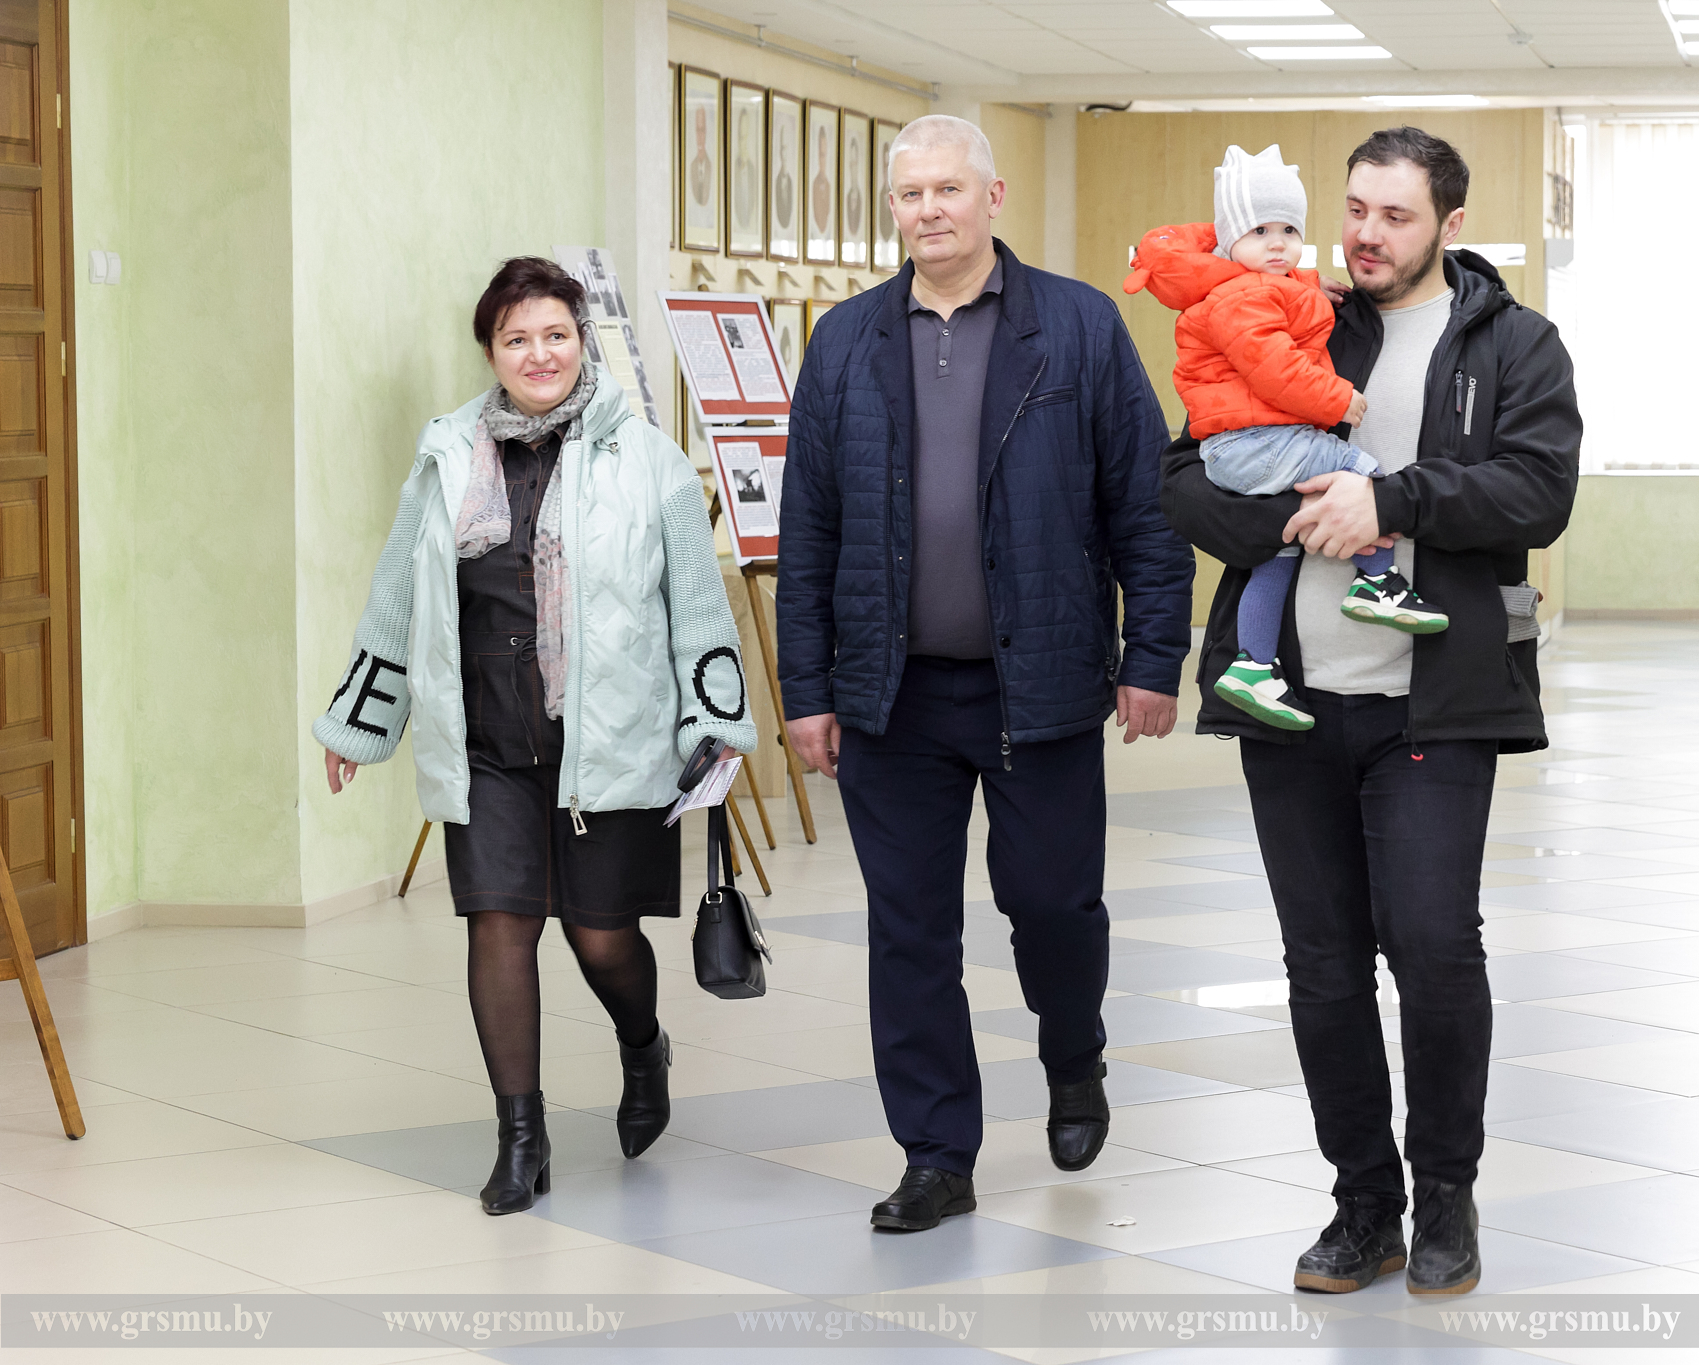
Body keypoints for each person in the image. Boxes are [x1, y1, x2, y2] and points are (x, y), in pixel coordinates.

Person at [1159, 127, 1580, 1296]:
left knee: (1434, 950)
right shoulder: (1289, 314)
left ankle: (1445, 1196)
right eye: (1353, 209)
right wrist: (1290, 519)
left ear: (1448, 225)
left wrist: (1389, 502)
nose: (1363, 235)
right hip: (1291, 701)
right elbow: (1184, 473)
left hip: (1433, 705)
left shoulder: (1511, 344)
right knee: (1322, 965)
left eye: (1394, 216)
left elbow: (1536, 492)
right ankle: (1361, 1207)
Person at [779, 114, 1193, 1232]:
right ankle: (935, 1153)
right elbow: (807, 530)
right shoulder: (845, 341)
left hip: (1039, 685)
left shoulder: (1079, 326)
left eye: (948, 189)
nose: (928, 210)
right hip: (890, 695)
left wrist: (1153, 657)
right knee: (909, 929)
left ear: (992, 197)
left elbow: (1146, 509)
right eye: (909, 193)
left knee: (1052, 905)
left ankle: (1073, 1054)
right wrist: (806, 689)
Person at [316, 257, 754, 1216]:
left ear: (581, 341)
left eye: (555, 334)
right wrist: (360, 717)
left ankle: (643, 1047)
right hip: (489, 740)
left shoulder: (647, 459)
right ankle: (522, 1137)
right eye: (516, 338)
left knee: (601, 938)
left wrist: (715, 724)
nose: (539, 353)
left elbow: (696, 603)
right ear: (491, 352)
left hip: (613, 738)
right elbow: (400, 594)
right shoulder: (448, 458)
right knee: (500, 924)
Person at [1126, 143, 1449, 734]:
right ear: (1229, 240)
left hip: (1246, 443)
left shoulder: (1255, 286)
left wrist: (1308, 286)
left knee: (1276, 556)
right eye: (1259, 232)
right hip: (1256, 442)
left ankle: (1253, 665)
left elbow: (1278, 299)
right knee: (1364, 473)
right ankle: (1376, 580)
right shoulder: (1242, 296)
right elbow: (1273, 366)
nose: (1277, 245)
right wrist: (1337, 400)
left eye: (1289, 230)